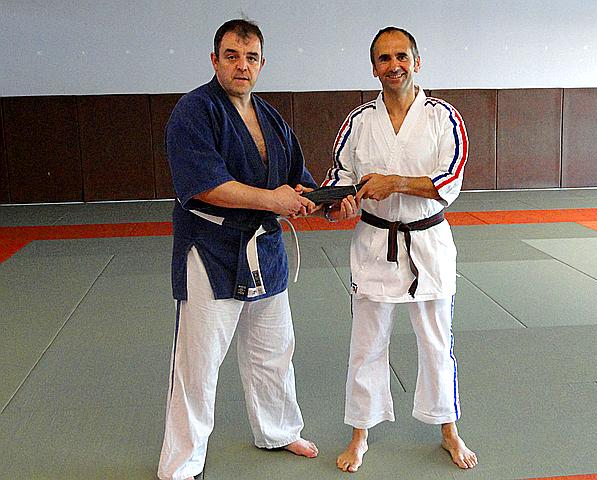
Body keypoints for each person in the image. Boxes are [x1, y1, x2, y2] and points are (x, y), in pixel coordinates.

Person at [157, 19, 319, 480]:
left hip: (265, 248)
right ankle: (181, 465)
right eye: (232, 56)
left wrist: (324, 201)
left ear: (262, 63)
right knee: (198, 363)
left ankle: (278, 430)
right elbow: (203, 185)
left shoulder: (272, 118)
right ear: (215, 60)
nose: (242, 66)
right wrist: (273, 200)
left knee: (274, 350)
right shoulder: (194, 111)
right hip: (211, 248)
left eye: (251, 58)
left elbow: (297, 179)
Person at [321, 26, 478, 472]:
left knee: (436, 342)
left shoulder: (444, 117)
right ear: (374, 68)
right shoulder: (359, 121)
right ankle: (360, 434)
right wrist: (334, 204)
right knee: (366, 343)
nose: (394, 66)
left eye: (402, 56)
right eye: (385, 59)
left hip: (428, 241)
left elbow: (450, 179)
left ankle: (448, 429)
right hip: (374, 241)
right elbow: (340, 176)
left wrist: (396, 183)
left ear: (417, 62)